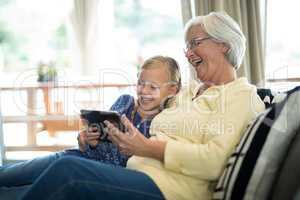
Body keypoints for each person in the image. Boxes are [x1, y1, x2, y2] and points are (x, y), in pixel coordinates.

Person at [20, 12, 265, 200]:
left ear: (224, 44)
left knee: (68, 170)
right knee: (51, 169)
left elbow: (214, 161)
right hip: (138, 172)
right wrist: (112, 137)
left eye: (195, 43)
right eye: (187, 47)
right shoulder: (188, 92)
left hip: (173, 190)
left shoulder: (241, 96)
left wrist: (147, 148)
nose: (189, 54)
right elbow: (147, 102)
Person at [0, 56, 181, 198]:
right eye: (141, 84)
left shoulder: (162, 122)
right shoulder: (125, 101)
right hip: (75, 156)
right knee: (11, 174)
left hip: (95, 173)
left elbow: (135, 166)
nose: (143, 91)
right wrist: (86, 138)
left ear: (172, 90)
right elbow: (98, 134)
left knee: (25, 189)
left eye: (152, 87)